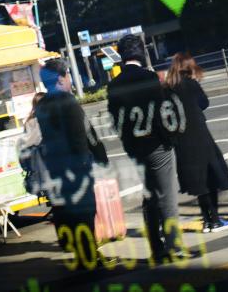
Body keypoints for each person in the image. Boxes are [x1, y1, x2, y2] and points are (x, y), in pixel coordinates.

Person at [107, 34, 187, 263]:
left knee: (150, 195)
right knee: (167, 195)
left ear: (121, 55)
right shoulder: (150, 78)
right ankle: (174, 245)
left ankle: (156, 246)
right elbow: (162, 113)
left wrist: (129, 144)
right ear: (141, 52)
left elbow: (117, 121)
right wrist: (169, 139)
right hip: (157, 144)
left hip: (135, 147)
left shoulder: (114, 85)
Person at [35, 59, 97, 270]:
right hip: (75, 165)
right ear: (61, 78)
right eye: (68, 74)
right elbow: (80, 137)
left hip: (55, 166)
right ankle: (88, 256)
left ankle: (82, 253)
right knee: (85, 210)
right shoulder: (68, 102)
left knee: (69, 211)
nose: (70, 79)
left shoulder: (42, 105)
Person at [165, 53, 228, 233]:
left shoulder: (168, 88)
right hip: (200, 136)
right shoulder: (191, 84)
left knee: (199, 183)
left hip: (181, 140)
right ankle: (216, 220)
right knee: (211, 177)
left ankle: (207, 221)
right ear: (189, 67)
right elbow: (204, 103)